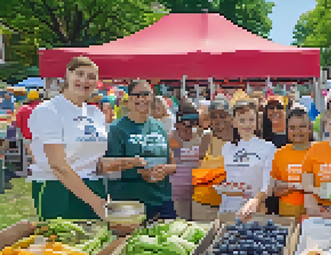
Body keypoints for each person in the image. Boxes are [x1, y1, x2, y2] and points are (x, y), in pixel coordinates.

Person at [28, 56, 140, 220]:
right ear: (67, 76)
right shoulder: (49, 110)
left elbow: (94, 160)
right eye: (79, 74)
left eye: (91, 77)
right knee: (64, 243)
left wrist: (131, 162)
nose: (84, 80)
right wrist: (95, 202)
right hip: (57, 187)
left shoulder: (96, 114)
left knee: (95, 242)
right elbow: (57, 165)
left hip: (93, 185)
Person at [105, 79, 177, 220]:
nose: (142, 99)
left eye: (146, 94)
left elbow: (172, 164)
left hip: (162, 201)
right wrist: (139, 171)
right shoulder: (117, 129)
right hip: (130, 205)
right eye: (137, 95)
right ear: (129, 99)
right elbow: (109, 168)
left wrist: (165, 170)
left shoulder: (159, 127)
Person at [219, 99, 276, 219]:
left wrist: (255, 201)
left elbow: (268, 184)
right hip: (228, 210)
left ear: (257, 122)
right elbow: (227, 178)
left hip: (254, 210)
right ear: (234, 122)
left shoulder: (268, 148)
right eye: (242, 120)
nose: (247, 124)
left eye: (251, 120)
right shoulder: (227, 148)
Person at [191, 98, 233, 222]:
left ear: (230, 117)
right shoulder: (206, 137)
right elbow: (199, 166)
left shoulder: (240, 138)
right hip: (204, 203)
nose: (219, 120)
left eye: (223, 115)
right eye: (214, 116)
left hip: (230, 206)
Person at [270, 105, 313, 219]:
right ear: (287, 129)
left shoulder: (320, 151)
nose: (297, 131)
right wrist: (283, 187)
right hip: (287, 211)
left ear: (310, 128)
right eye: (292, 127)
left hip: (315, 211)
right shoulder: (279, 153)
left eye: (302, 127)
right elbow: (273, 187)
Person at [169, 101, 202, 220]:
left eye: (194, 123)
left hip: (195, 195)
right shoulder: (170, 139)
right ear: (177, 124)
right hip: (176, 196)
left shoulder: (200, 138)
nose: (190, 127)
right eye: (187, 123)